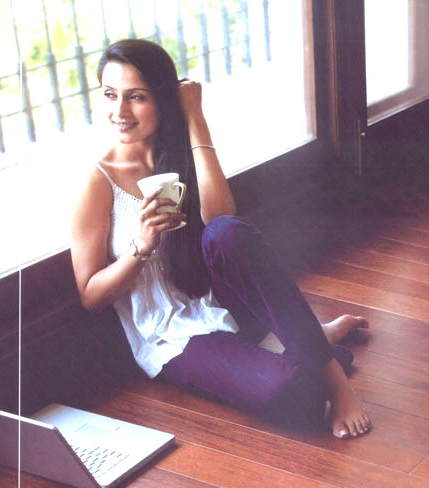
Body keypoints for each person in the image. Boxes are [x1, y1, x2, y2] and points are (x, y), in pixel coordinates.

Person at [70, 38, 371, 439]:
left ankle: (333, 375)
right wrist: (140, 247)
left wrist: (195, 116)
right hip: (171, 337)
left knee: (227, 233)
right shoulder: (98, 183)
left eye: (136, 97)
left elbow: (221, 218)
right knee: (293, 397)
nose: (120, 111)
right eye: (110, 94)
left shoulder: (179, 155)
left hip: (222, 305)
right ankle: (309, 339)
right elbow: (90, 296)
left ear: (162, 99)